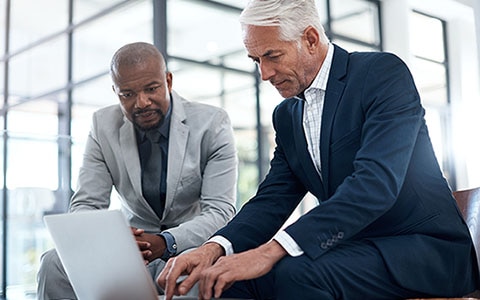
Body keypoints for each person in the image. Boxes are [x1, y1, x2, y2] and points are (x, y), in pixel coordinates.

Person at [157, 1, 480, 299]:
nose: (264, 74)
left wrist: (271, 250)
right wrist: (214, 248)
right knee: (225, 279)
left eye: (272, 56)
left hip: (423, 251)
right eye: (256, 60)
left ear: (310, 39)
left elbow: (374, 184)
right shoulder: (286, 116)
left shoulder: (381, 74)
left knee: (297, 273)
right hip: (353, 250)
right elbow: (272, 200)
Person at [36, 41, 238, 299]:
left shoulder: (212, 123)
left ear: (168, 81)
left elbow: (219, 212)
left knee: (195, 282)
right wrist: (108, 239)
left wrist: (165, 242)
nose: (141, 102)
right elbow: (86, 203)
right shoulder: (102, 125)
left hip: (189, 247)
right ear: (115, 91)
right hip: (129, 251)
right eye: (127, 94)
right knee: (52, 264)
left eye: (151, 89)